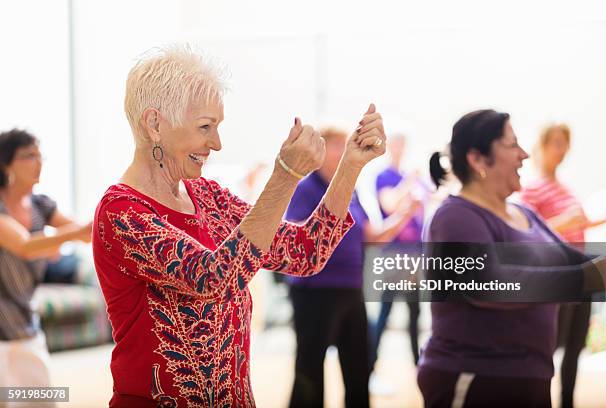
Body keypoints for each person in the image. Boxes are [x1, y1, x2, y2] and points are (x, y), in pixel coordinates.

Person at [91, 45, 387, 408]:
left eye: (217, 127)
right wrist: (286, 175)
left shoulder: (207, 195)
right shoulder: (122, 211)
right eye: (205, 127)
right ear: (155, 124)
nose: (216, 143)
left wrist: (350, 167)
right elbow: (216, 278)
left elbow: (304, 253)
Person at [419, 110, 606, 408]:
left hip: (530, 380)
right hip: (475, 381)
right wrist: (587, 277)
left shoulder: (526, 214)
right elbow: (487, 284)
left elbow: (572, 259)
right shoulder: (454, 216)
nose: (524, 155)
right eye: (512, 145)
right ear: (477, 159)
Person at [285, 127, 417, 408]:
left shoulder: (351, 191)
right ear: (319, 151)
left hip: (350, 287)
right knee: (310, 368)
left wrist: (405, 213)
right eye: (336, 146)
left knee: (359, 366)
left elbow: (372, 235)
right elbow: (293, 239)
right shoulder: (305, 188)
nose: (344, 152)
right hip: (314, 291)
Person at [521, 123, 606, 408]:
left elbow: (582, 220)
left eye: (565, 144)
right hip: (556, 277)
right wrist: (566, 221)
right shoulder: (532, 189)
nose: (562, 150)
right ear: (543, 146)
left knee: (575, 347)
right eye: (557, 143)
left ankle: (567, 401)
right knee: (550, 347)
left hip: (581, 275)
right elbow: (523, 234)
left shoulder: (565, 188)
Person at [0, 129, 92, 392]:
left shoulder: (41, 205)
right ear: (6, 162)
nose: (38, 163)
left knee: (38, 398)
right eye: (29, 156)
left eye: (40, 156)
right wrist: (65, 237)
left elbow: (85, 234)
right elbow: (25, 246)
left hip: (25, 320)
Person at [371, 133, 428, 370]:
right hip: (394, 255)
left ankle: (418, 366)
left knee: (415, 312)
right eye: (396, 144)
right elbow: (389, 204)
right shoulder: (385, 177)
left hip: (413, 254)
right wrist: (409, 183)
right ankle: (370, 366)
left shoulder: (411, 178)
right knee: (387, 309)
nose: (399, 148)